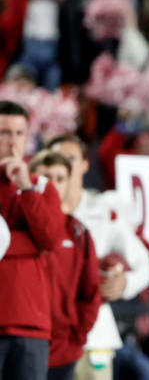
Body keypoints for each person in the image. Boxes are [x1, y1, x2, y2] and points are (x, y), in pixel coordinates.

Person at [47, 133, 149, 380]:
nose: (62, 164)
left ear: (85, 164)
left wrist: (124, 284)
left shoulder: (103, 209)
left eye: (70, 158)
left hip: (94, 336)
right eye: (56, 157)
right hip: (47, 334)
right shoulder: (33, 210)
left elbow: (143, 263)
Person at [0, 101, 64, 380]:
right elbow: (40, 241)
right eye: (4, 132)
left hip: (31, 326)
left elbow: (50, 239)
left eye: (19, 133)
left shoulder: (40, 185)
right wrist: (29, 243)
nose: (12, 142)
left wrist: (26, 187)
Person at [28, 150, 102, 380]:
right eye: (45, 178)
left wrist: (77, 338)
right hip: (22, 345)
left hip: (63, 352)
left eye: (60, 179)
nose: (52, 184)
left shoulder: (78, 232)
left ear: (68, 184)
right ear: (32, 180)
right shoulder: (15, 227)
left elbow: (91, 291)